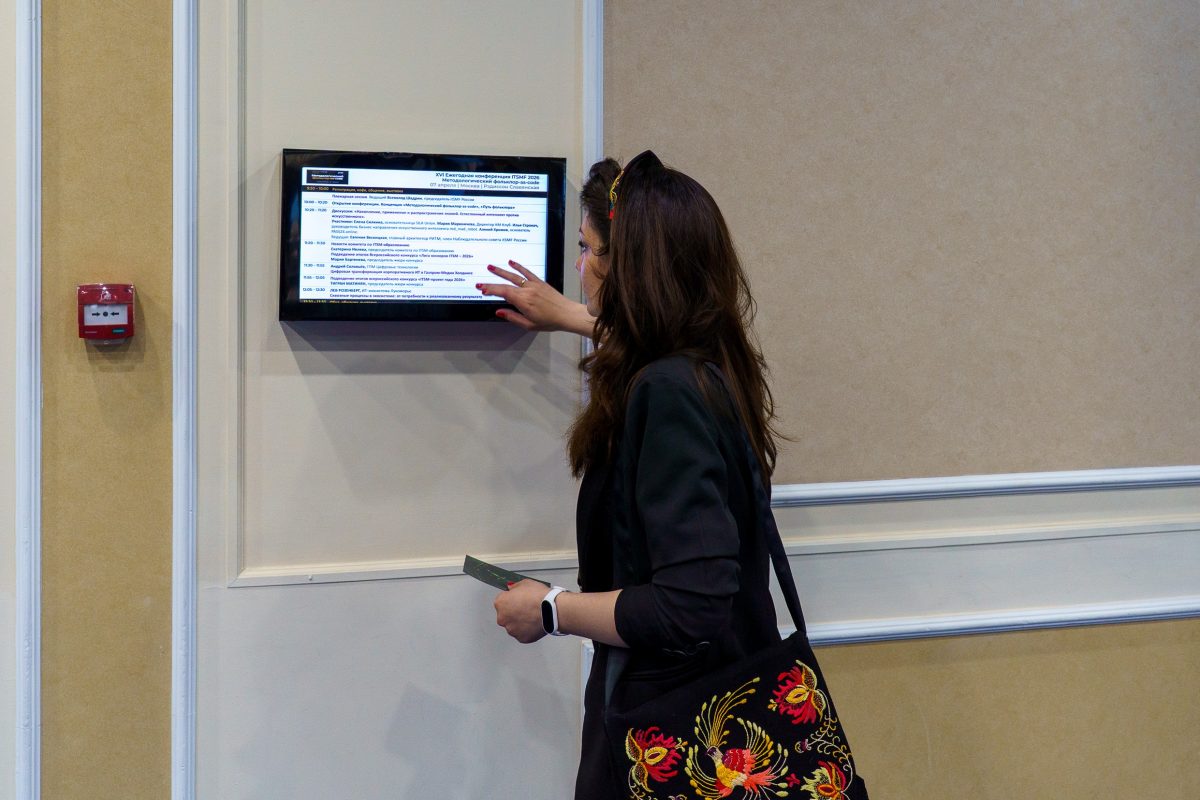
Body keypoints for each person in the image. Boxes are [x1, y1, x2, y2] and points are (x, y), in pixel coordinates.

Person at [489, 152, 856, 799]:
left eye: (588, 250)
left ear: (631, 271)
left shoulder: (665, 393)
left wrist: (550, 609)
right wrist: (570, 317)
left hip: (672, 724)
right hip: (721, 700)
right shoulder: (709, 364)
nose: (579, 268)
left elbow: (689, 607)